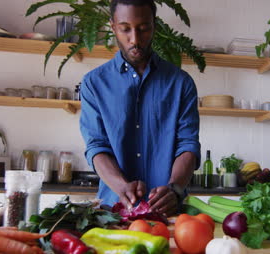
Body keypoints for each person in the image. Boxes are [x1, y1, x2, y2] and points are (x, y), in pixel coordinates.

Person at [79, 0, 201, 216]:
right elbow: (97, 146)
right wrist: (121, 187)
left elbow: (188, 145)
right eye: (125, 29)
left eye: (143, 28)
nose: (135, 39)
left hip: (168, 212)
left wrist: (174, 188)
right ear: (113, 26)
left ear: (154, 25)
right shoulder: (93, 83)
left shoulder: (181, 83)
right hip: (113, 211)